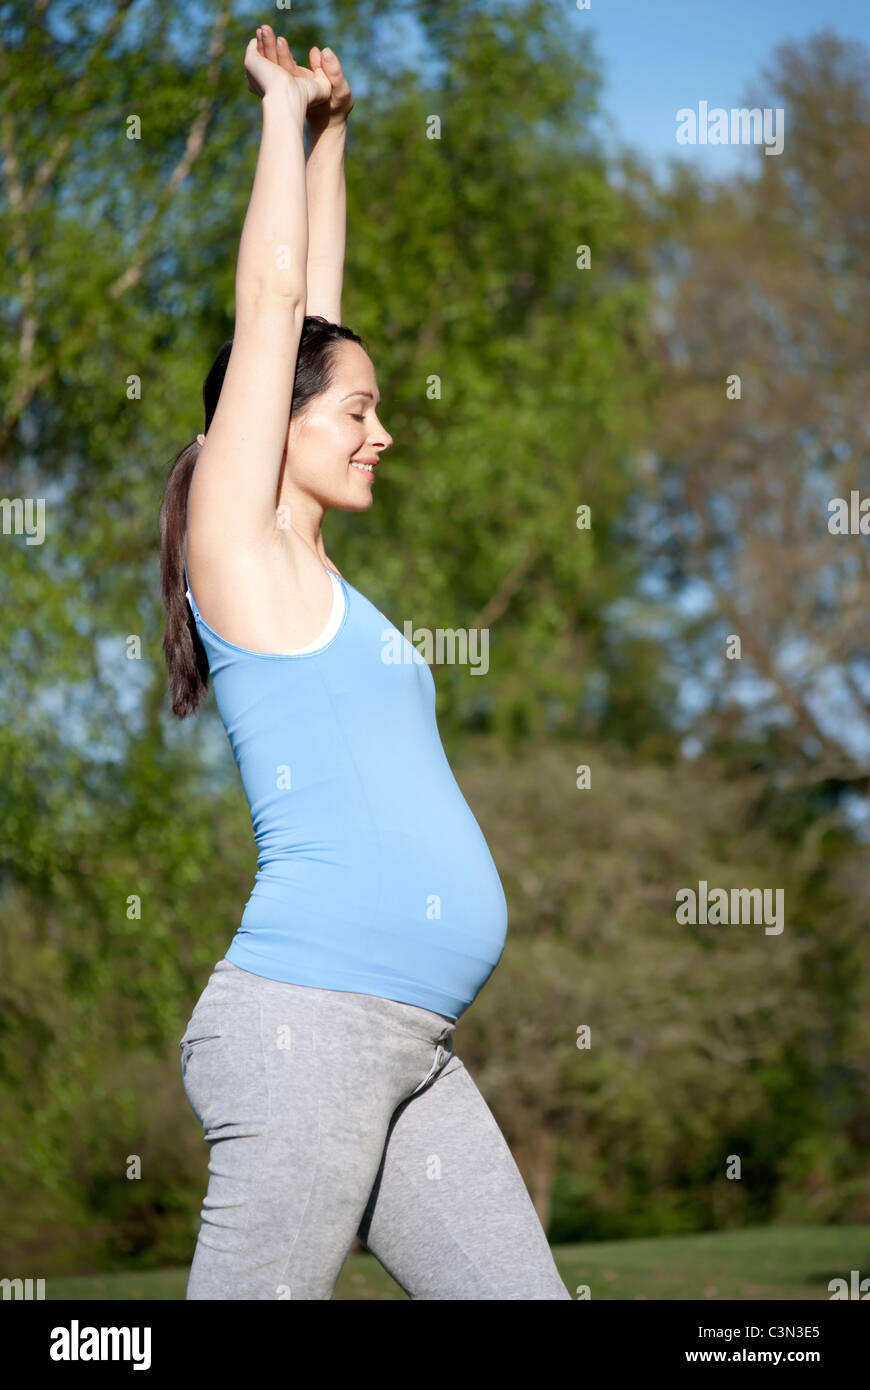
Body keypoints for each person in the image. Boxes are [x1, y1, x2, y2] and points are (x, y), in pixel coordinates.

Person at [159, 23, 571, 1301]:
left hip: (413, 1047)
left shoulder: (312, 565)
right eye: (358, 409)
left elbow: (313, 314)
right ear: (276, 425)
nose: (383, 432)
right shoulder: (241, 554)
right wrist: (278, 113)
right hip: (306, 1028)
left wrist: (336, 140)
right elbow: (277, 306)